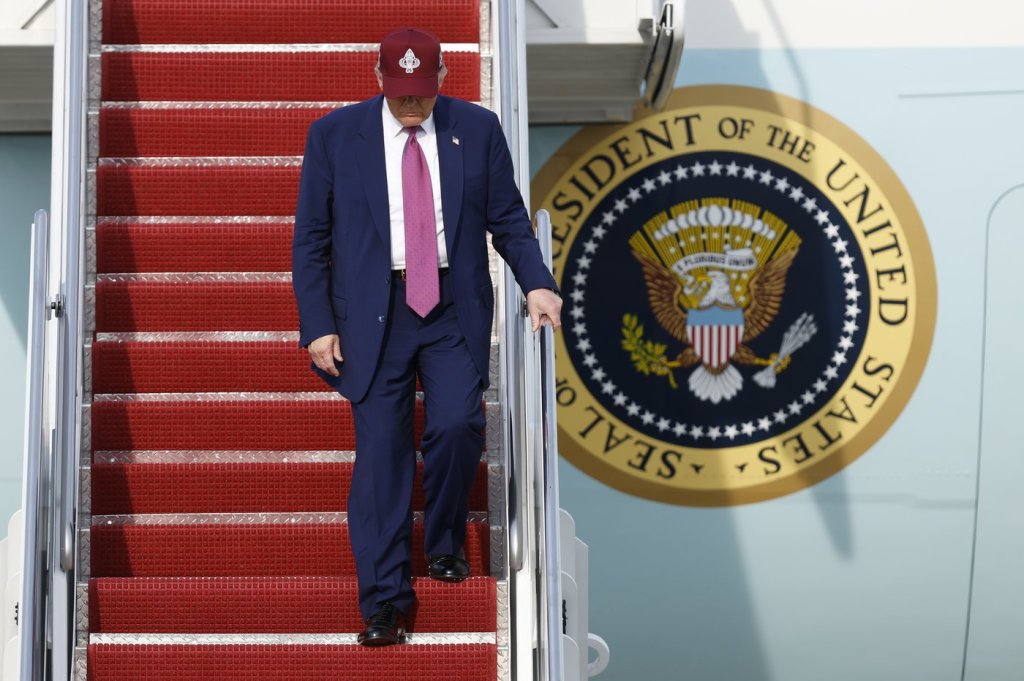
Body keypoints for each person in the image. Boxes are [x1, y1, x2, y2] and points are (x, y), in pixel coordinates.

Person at [292, 27, 562, 646]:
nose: (411, 103)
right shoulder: (335, 135)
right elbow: (310, 239)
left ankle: (443, 539)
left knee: (458, 425)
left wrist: (537, 284)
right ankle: (384, 602)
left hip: (450, 306)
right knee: (382, 455)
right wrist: (318, 324)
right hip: (372, 312)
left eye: (421, 90)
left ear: (442, 78)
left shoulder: (478, 128)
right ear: (377, 78)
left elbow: (507, 218)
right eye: (399, 91)